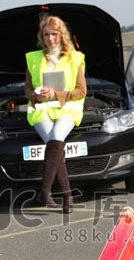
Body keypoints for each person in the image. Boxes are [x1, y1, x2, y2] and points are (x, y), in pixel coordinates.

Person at [24, 14, 87, 213]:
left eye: (54, 34)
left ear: (61, 35)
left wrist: (56, 94)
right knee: (56, 147)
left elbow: (81, 91)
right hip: (41, 109)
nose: (50, 38)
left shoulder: (75, 58)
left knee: (56, 139)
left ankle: (44, 192)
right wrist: (35, 95)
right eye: (46, 35)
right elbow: (26, 89)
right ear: (41, 37)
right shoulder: (32, 58)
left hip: (68, 107)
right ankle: (67, 198)